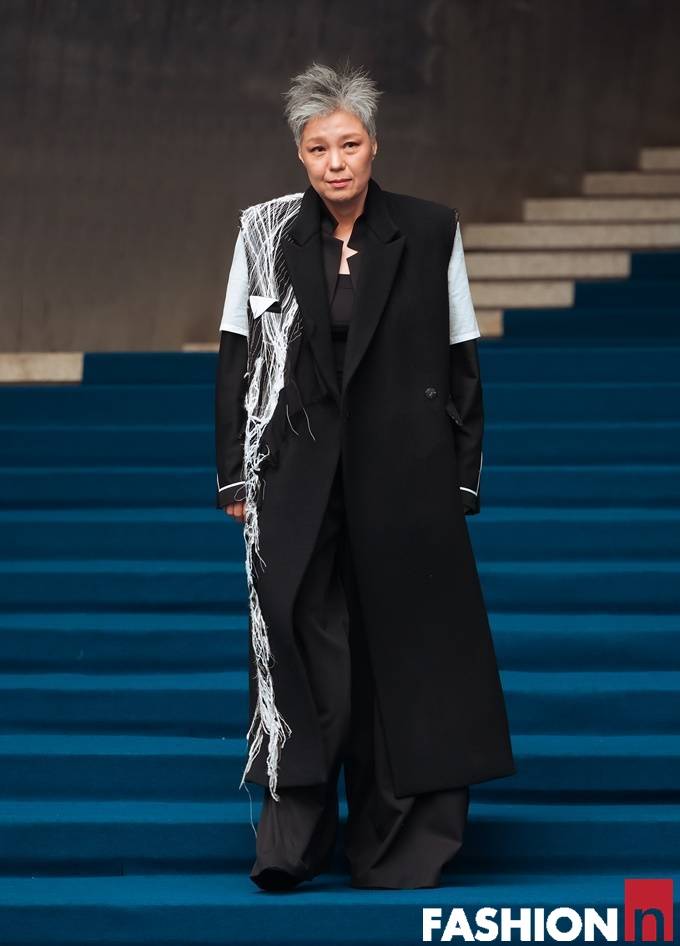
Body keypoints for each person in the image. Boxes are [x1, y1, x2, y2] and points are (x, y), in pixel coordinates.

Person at [214, 60, 516, 891]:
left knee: (407, 650)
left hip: (405, 474)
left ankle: (399, 845)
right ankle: (293, 841)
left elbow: (461, 356)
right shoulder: (263, 232)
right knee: (303, 648)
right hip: (295, 474)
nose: (335, 162)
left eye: (349, 144)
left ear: (374, 146)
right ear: (300, 155)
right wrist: (236, 477)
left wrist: (461, 478)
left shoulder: (429, 229)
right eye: (319, 148)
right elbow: (237, 356)